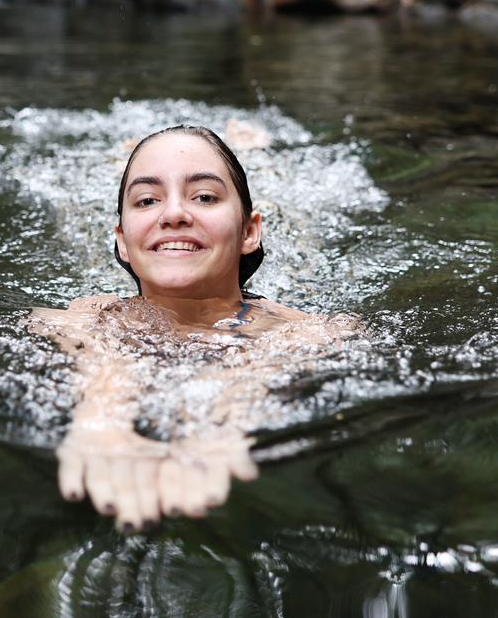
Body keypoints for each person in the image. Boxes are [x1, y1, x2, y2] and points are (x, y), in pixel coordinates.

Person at [29, 125, 359, 532]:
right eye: (147, 200)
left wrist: (222, 421)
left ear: (249, 232)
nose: (173, 214)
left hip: (287, 269)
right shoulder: (91, 315)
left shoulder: (303, 330)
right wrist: (102, 420)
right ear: (122, 242)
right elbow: (93, 351)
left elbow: (282, 354)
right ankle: (121, 154)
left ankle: (262, 153)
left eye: (205, 196)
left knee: (294, 216)